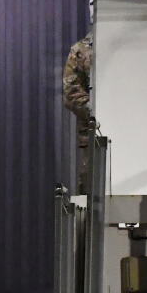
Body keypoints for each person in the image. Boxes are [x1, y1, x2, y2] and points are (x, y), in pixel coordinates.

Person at [63, 30, 93, 191]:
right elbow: (71, 93)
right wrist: (95, 110)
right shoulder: (81, 50)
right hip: (94, 138)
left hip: (135, 131)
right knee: (93, 188)